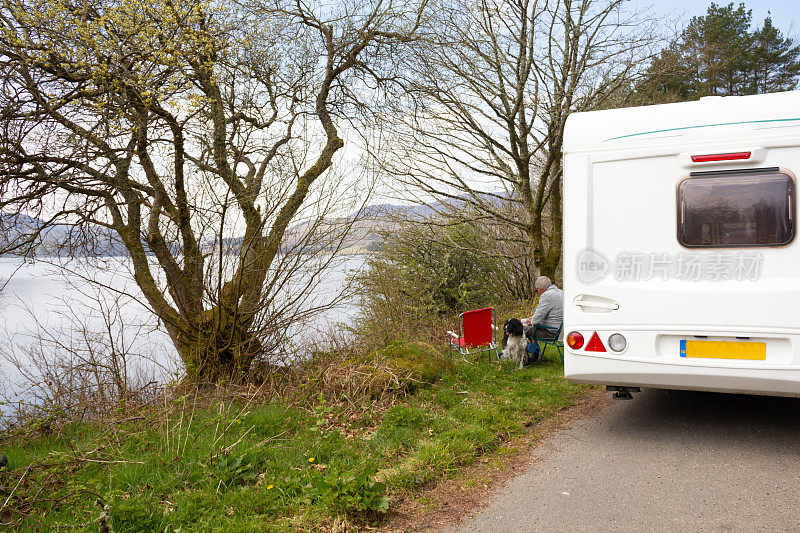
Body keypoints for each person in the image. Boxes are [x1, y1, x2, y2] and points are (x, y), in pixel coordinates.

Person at [521, 276, 563, 340]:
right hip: (562, 331)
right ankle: (534, 349)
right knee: (531, 328)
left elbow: (536, 320)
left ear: (539, 288)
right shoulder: (561, 292)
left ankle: (509, 349)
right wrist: (533, 320)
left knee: (517, 328)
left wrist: (531, 320)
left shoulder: (546, 295)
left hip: (551, 332)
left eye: (536, 290)